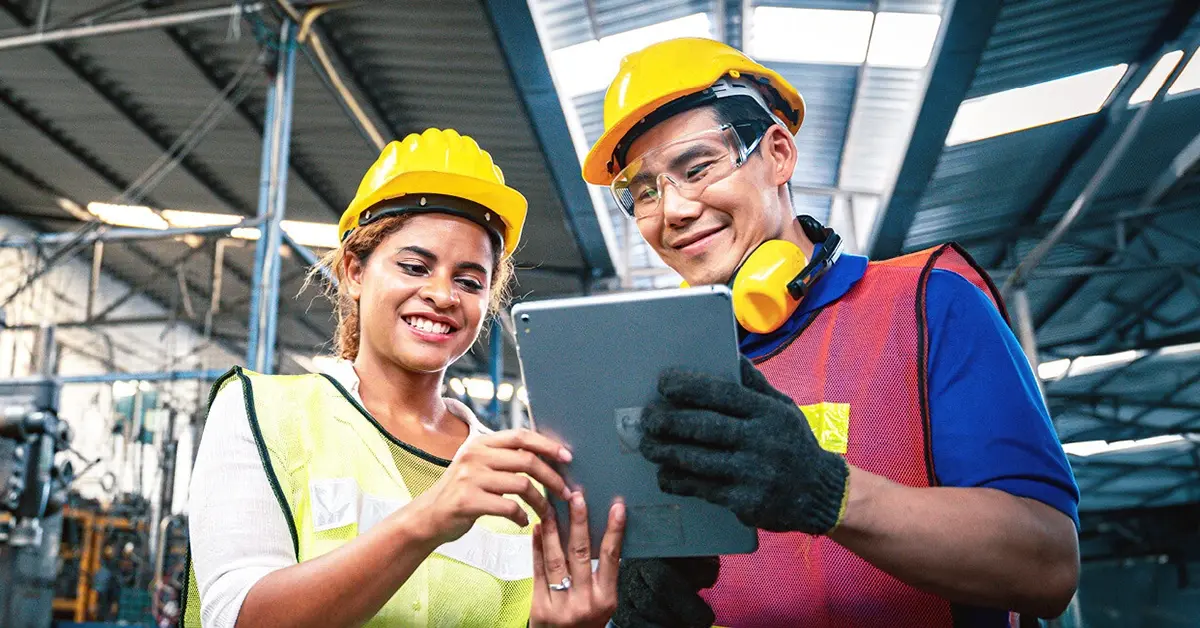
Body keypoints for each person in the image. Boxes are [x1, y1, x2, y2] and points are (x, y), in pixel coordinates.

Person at [581, 39, 1081, 627]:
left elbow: (1048, 566)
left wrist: (826, 489)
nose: (673, 211)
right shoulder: (658, 373)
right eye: (643, 192)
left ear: (778, 153)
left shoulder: (927, 302)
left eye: (696, 169)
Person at [184, 128, 625, 628]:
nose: (443, 295)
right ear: (354, 270)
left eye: (469, 280)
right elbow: (235, 618)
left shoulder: (518, 477)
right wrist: (428, 518)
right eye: (415, 266)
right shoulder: (262, 413)